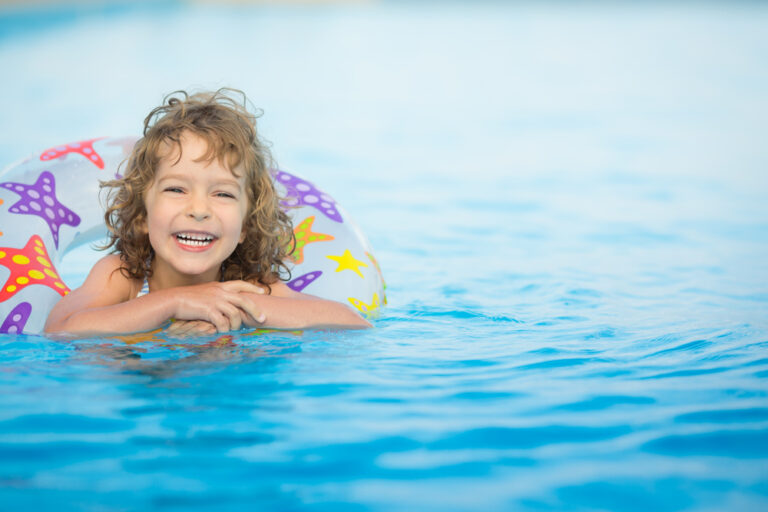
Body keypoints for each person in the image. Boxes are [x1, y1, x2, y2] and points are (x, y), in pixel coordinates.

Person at [44, 89, 371, 336]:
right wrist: (173, 303)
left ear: (245, 224)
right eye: (176, 189)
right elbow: (60, 328)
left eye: (223, 193)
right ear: (142, 215)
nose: (199, 209)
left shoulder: (247, 285)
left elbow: (352, 323)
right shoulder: (124, 275)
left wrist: (234, 309)